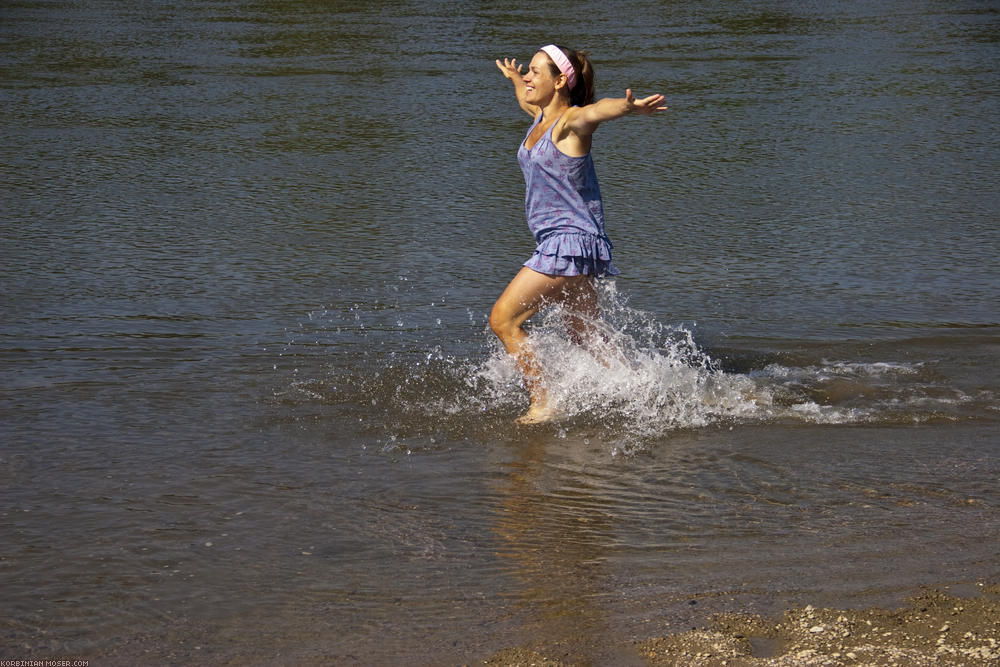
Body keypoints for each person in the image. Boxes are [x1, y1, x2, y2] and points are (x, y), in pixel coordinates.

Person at [491, 44, 667, 424]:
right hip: (571, 244)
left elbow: (595, 112)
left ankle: (543, 403)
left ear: (560, 82)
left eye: (536, 72)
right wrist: (513, 79)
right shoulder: (539, 118)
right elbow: (526, 100)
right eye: (528, 71)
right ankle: (649, 392)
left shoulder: (570, 123)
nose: (528, 77)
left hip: (567, 243)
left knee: (503, 320)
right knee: (587, 338)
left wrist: (627, 108)